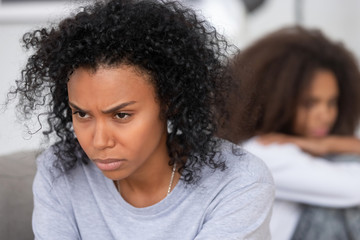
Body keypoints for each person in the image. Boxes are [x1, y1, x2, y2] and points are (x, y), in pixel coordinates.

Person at [8, 0, 275, 239]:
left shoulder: (237, 181)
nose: (99, 141)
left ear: (169, 102)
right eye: (82, 114)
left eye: (121, 115)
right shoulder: (58, 172)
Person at [224, 26, 360, 240]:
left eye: (331, 102)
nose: (324, 115)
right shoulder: (265, 152)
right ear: (278, 100)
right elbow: (355, 188)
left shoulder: (299, 147)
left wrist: (329, 144)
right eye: (310, 103)